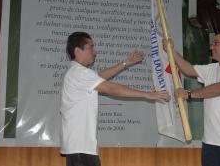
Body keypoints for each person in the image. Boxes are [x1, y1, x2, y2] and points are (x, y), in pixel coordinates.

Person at [60, 31, 169, 166]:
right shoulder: (79, 72)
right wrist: (148, 94)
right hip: (81, 149)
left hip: (79, 148)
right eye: (91, 47)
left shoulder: (77, 72)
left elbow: (100, 76)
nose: (94, 52)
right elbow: (112, 88)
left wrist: (126, 62)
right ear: (77, 50)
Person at [164, 31, 220, 166]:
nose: (211, 47)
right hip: (209, 142)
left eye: (216, 43)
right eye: (212, 44)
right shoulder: (212, 68)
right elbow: (189, 69)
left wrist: (189, 94)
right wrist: (171, 51)